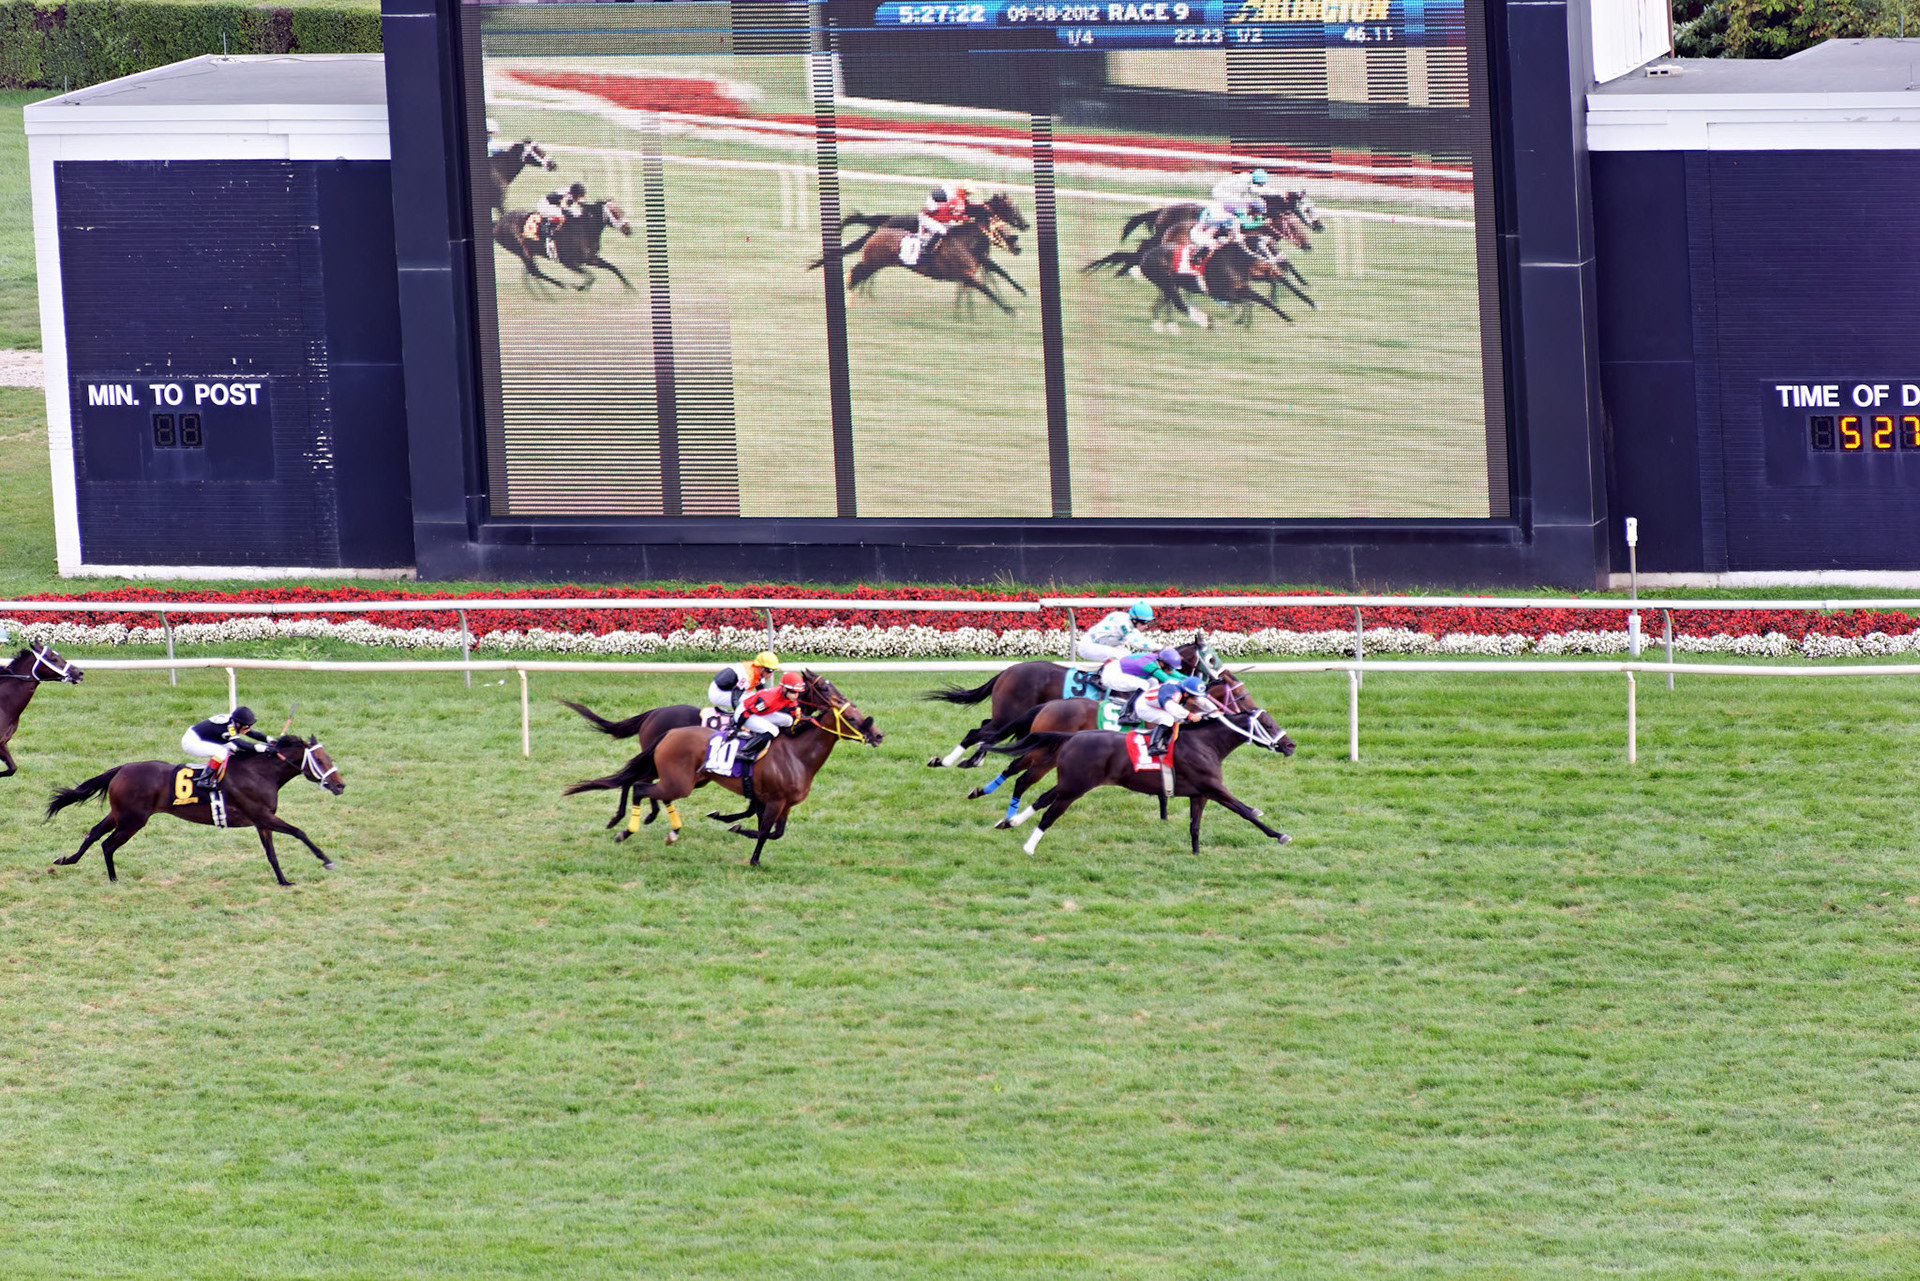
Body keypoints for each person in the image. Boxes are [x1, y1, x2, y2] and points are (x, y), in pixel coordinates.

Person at [1137, 676, 1213, 794]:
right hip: (1144, 707)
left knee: (1176, 718)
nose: (1196, 700)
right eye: (1194, 697)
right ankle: (1154, 745)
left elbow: (1201, 701)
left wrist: (1215, 711)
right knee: (1168, 718)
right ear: (1186, 694)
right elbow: (1172, 708)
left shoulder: (1186, 692)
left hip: (1159, 703)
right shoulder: (1174, 693)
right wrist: (1190, 715)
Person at [182, 705, 269, 791]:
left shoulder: (234, 722)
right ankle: (204, 780)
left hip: (205, 737)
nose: (248, 729)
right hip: (191, 741)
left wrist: (270, 740)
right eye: (246, 726)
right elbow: (241, 744)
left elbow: (251, 733)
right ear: (238, 724)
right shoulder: (227, 729)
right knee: (221, 752)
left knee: (233, 749)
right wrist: (265, 748)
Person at [730, 670, 807, 759]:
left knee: (789, 721)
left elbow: (796, 714)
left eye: (798, 692)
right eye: (793, 692)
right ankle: (744, 752)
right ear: (784, 689)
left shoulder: (789, 697)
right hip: (743, 713)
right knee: (773, 731)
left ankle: (773, 737)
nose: (796, 696)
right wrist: (737, 728)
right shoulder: (768, 700)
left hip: (760, 712)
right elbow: (747, 713)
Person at [1177, 203, 1241, 288]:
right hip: (1200, 234)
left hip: (1212, 234)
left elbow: (1233, 235)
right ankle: (1196, 260)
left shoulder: (1230, 219)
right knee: (1212, 244)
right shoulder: (1219, 217)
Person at [903, 184, 970, 265]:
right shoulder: (952, 197)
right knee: (942, 231)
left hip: (939, 217)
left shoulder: (960, 200)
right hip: (928, 217)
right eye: (967, 193)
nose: (967, 195)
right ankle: (925, 251)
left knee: (955, 228)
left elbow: (954, 215)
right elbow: (932, 210)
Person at [708, 650, 782, 719]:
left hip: (730, 689)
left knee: (755, 698)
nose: (771, 674)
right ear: (762, 668)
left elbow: (763, 694)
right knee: (749, 701)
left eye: (773, 671)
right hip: (718, 692)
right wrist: (739, 717)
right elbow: (735, 698)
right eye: (770, 671)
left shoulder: (757, 670)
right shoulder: (747, 676)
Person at [1075, 600, 1154, 664]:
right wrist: (1161, 648)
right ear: (1134, 620)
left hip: (1103, 645)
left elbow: (1141, 640)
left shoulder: (1129, 622)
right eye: (1144, 622)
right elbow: (1138, 644)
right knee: (1123, 657)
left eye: (1148, 623)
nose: (1146, 626)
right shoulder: (1123, 624)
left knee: (1128, 655)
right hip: (1088, 646)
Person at [1098, 646, 1185, 703]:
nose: (1170, 670)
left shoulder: (1158, 659)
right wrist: (1186, 685)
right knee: (1144, 684)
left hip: (1121, 671)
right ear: (1162, 663)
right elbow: (1167, 679)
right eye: (1169, 667)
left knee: (1153, 682)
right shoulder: (1149, 664)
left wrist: (1192, 680)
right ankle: (1129, 713)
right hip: (1111, 675)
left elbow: (1175, 674)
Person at [535, 181, 588, 259]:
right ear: (575, 194)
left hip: (555, 204)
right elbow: (564, 210)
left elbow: (580, 205)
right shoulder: (566, 196)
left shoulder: (572, 194)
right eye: (579, 195)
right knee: (562, 215)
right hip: (545, 205)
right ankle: (549, 238)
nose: (580, 198)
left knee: (575, 212)